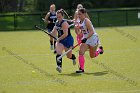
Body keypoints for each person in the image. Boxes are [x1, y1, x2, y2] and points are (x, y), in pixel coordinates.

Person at [75, 8, 104, 73]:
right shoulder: (80, 22)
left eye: (80, 14)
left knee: (92, 56)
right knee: (81, 52)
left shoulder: (86, 21)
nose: (78, 16)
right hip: (86, 39)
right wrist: (76, 28)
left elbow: (92, 32)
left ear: (84, 14)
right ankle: (81, 69)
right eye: (78, 14)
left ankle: (99, 50)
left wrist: (85, 38)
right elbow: (79, 34)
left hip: (93, 38)